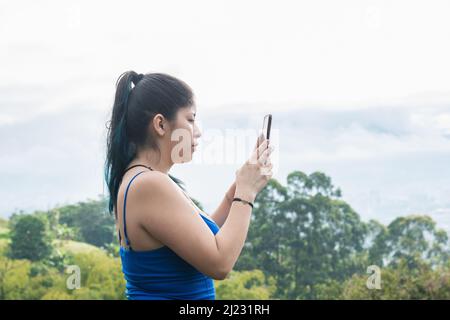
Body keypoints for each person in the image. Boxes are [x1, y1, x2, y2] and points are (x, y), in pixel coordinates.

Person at [104, 71, 274, 300]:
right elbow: (219, 263)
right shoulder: (150, 184)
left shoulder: (142, 179)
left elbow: (202, 239)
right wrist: (246, 193)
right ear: (161, 124)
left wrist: (238, 188)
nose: (198, 132)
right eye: (191, 119)